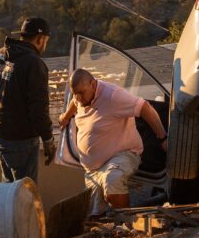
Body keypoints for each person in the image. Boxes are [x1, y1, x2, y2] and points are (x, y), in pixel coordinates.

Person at [59, 69, 167, 215]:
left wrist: (163, 138)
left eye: (81, 93)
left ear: (92, 84)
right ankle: (114, 229)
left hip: (122, 155)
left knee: (112, 180)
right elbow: (74, 102)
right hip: (93, 170)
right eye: (75, 93)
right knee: (95, 216)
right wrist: (66, 116)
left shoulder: (112, 95)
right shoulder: (81, 97)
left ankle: (126, 222)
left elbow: (144, 107)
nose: (78, 98)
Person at [0, 18, 56, 182]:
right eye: (46, 41)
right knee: (24, 195)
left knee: (8, 191)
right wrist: (47, 139)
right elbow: (38, 109)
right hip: (19, 139)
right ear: (40, 39)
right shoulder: (33, 63)